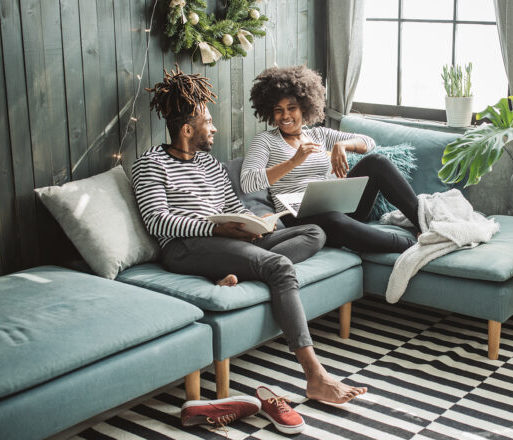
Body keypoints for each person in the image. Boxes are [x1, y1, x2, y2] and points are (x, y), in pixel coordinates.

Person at [131, 66, 366, 428]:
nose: (214, 128)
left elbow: (234, 204)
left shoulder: (209, 163)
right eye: (207, 122)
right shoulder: (150, 165)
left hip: (230, 239)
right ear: (187, 129)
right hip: (187, 247)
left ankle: (244, 268)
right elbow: (158, 221)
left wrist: (256, 224)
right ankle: (316, 376)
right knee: (279, 267)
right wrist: (218, 229)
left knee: (314, 233)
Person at [241, 65, 420, 253]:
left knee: (376, 162)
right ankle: (412, 246)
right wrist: (293, 161)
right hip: (298, 218)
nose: (285, 115)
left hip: (335, 207)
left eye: (291, 108)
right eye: (278, 110)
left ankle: (423, 226)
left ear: (304, 107)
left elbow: (369, 142)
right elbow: (248, 182)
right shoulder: (265, 140)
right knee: (334, 219)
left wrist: (342, 145)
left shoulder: (319, 135)